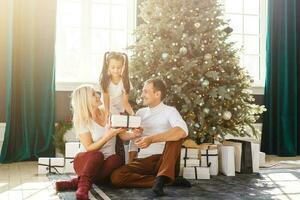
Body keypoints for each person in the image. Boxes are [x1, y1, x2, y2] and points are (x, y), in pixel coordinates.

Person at [55, 85, 142, 200]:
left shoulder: (108, 112)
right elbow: (90, 147)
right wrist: (107, 137)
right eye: (93, 94)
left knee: (116, 159)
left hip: (105, 165)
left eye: (96, 93)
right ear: (85, 100)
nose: (98, 95)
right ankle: (83, 189)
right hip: (86, 161)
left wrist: (134, 134)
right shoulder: (82, 120)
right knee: (97, 155)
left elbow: (122, 134)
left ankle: (75, 182)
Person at [111, 78, 191, 196]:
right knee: (116, 177)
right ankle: (164, 181)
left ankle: (163, 176)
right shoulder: (140, 113)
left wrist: (151, 139)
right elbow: (133, 143)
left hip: (164, 160)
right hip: (144, 161)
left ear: (157, 94)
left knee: (176, 137)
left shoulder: (170, 111)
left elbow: (182, 131)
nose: (142, 95)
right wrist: (130, 162)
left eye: (145, 91)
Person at [99, 52, 134, 118]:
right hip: (105, 108)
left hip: (119, 110)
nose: (116, 70)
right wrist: (107, 114)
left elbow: (125, 103)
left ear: (123, 66)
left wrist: (133, 114)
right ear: (108, 66)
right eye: (113, 67)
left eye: (119, 67)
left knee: (120, 122)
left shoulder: (125, 82)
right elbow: (106, 100)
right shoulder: (105, 81)